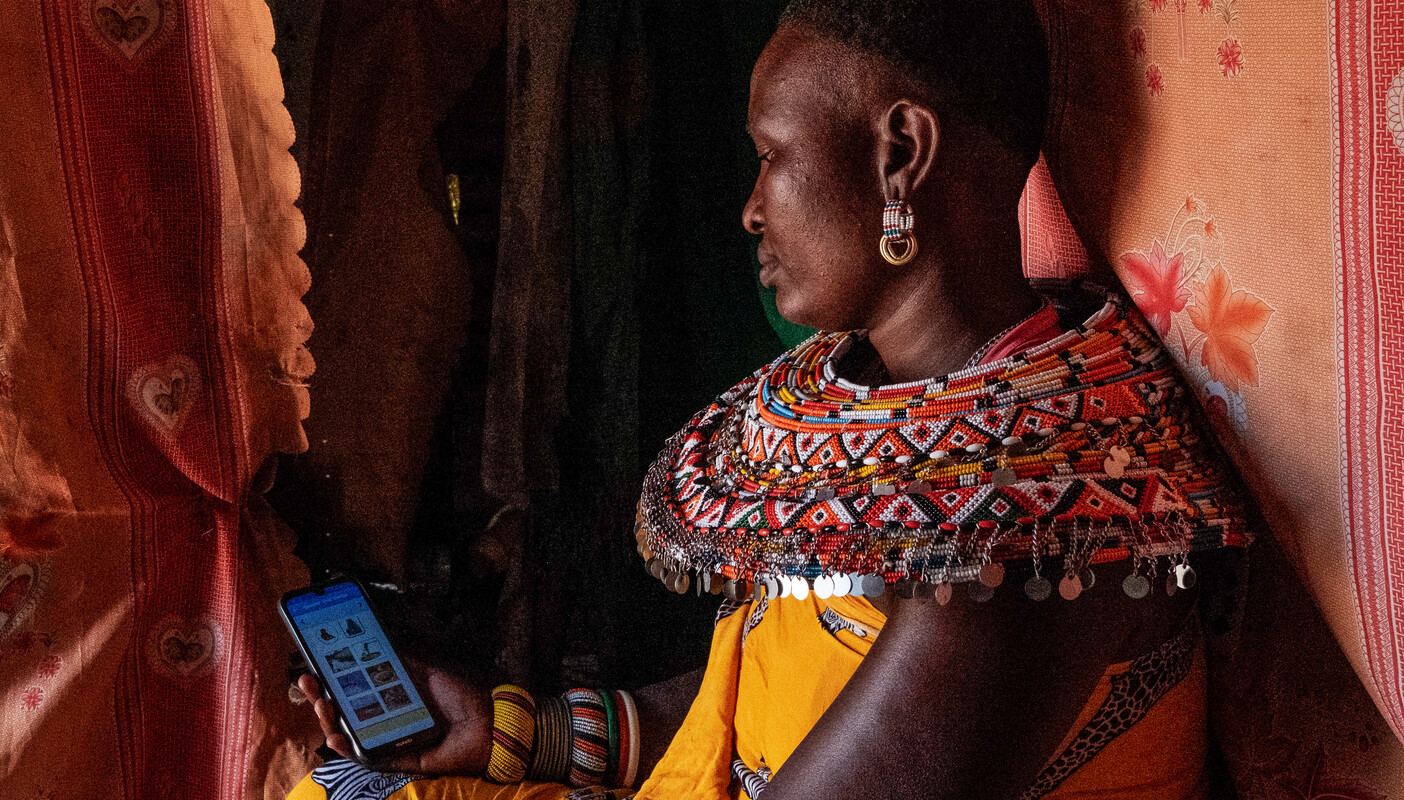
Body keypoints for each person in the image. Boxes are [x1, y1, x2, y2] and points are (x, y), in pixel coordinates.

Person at [288, 1, 1251, 798]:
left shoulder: (1039, 516)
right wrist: (525, 734)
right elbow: (758, 708)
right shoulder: (902, 409)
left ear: (900, 153)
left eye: (770, 154)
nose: (751, 207)